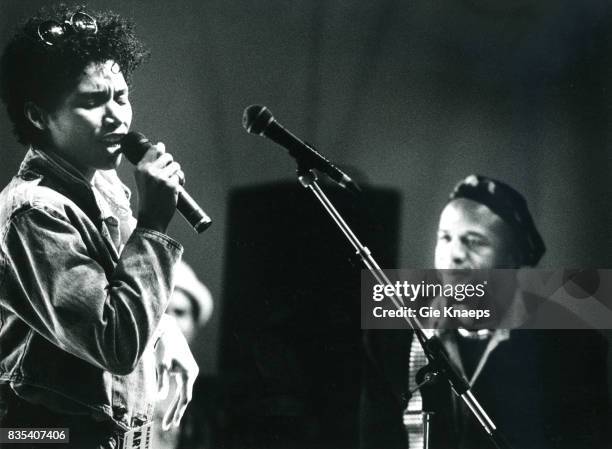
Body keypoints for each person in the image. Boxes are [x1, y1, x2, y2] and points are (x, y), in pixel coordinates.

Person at [0, 5, 198, 448]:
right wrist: (153, 222)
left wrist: (168, 334)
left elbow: (121, 284)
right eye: (92, 101)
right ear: (37, 116)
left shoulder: (104, 183)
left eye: (121, 96)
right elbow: (114, 341)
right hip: (43, 436)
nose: (117, 118)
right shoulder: (34, 212)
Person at [360, 175, 610, 449]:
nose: (453, 254)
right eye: (445, 238)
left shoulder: (572, 344)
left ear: (513, 257)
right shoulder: (391, 336)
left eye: (475, 241)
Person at [153, 260, 214, 449]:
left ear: (194, 326)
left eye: (179, 312)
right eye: (160, 311)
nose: (169, 321)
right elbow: (60, 436)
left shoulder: (207, 407)